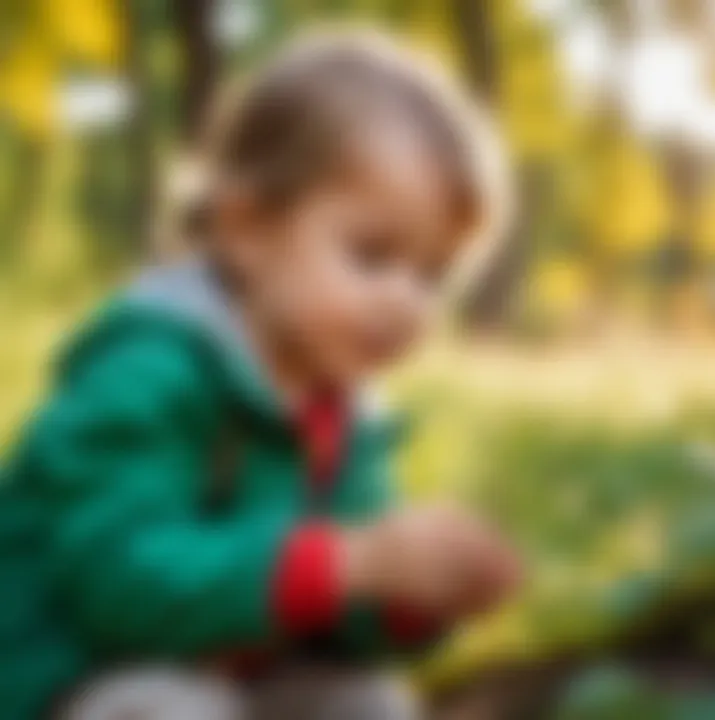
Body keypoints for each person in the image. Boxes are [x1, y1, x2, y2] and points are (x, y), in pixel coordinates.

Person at [0, 31, 520, 719]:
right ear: (246, 231)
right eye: (371, 256)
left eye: (432, 275)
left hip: (230, 672)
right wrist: (344, 562)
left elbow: (336, 617)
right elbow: (117, 586)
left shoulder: (343, 415)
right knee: (166, 710)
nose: (407, 301)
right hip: (70, 676)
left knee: (367, 704)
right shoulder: (147, 373)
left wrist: (406, 596)